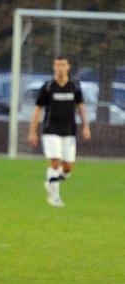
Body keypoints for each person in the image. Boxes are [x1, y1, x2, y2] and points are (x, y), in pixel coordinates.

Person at [28, 56, 91, 207]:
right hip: (51, 131)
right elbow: (38, 109)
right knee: (55, 162)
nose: (60, 68)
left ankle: (50, 181)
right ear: (54, 67)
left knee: (68, 168)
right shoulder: (48, 87)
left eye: (63, 65)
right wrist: (33, 131)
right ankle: (54, 196)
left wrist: (86, 126)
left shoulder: (74, 87)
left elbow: (81, 107)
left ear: (68, 67)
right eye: (57, 65)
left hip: (69, 132)